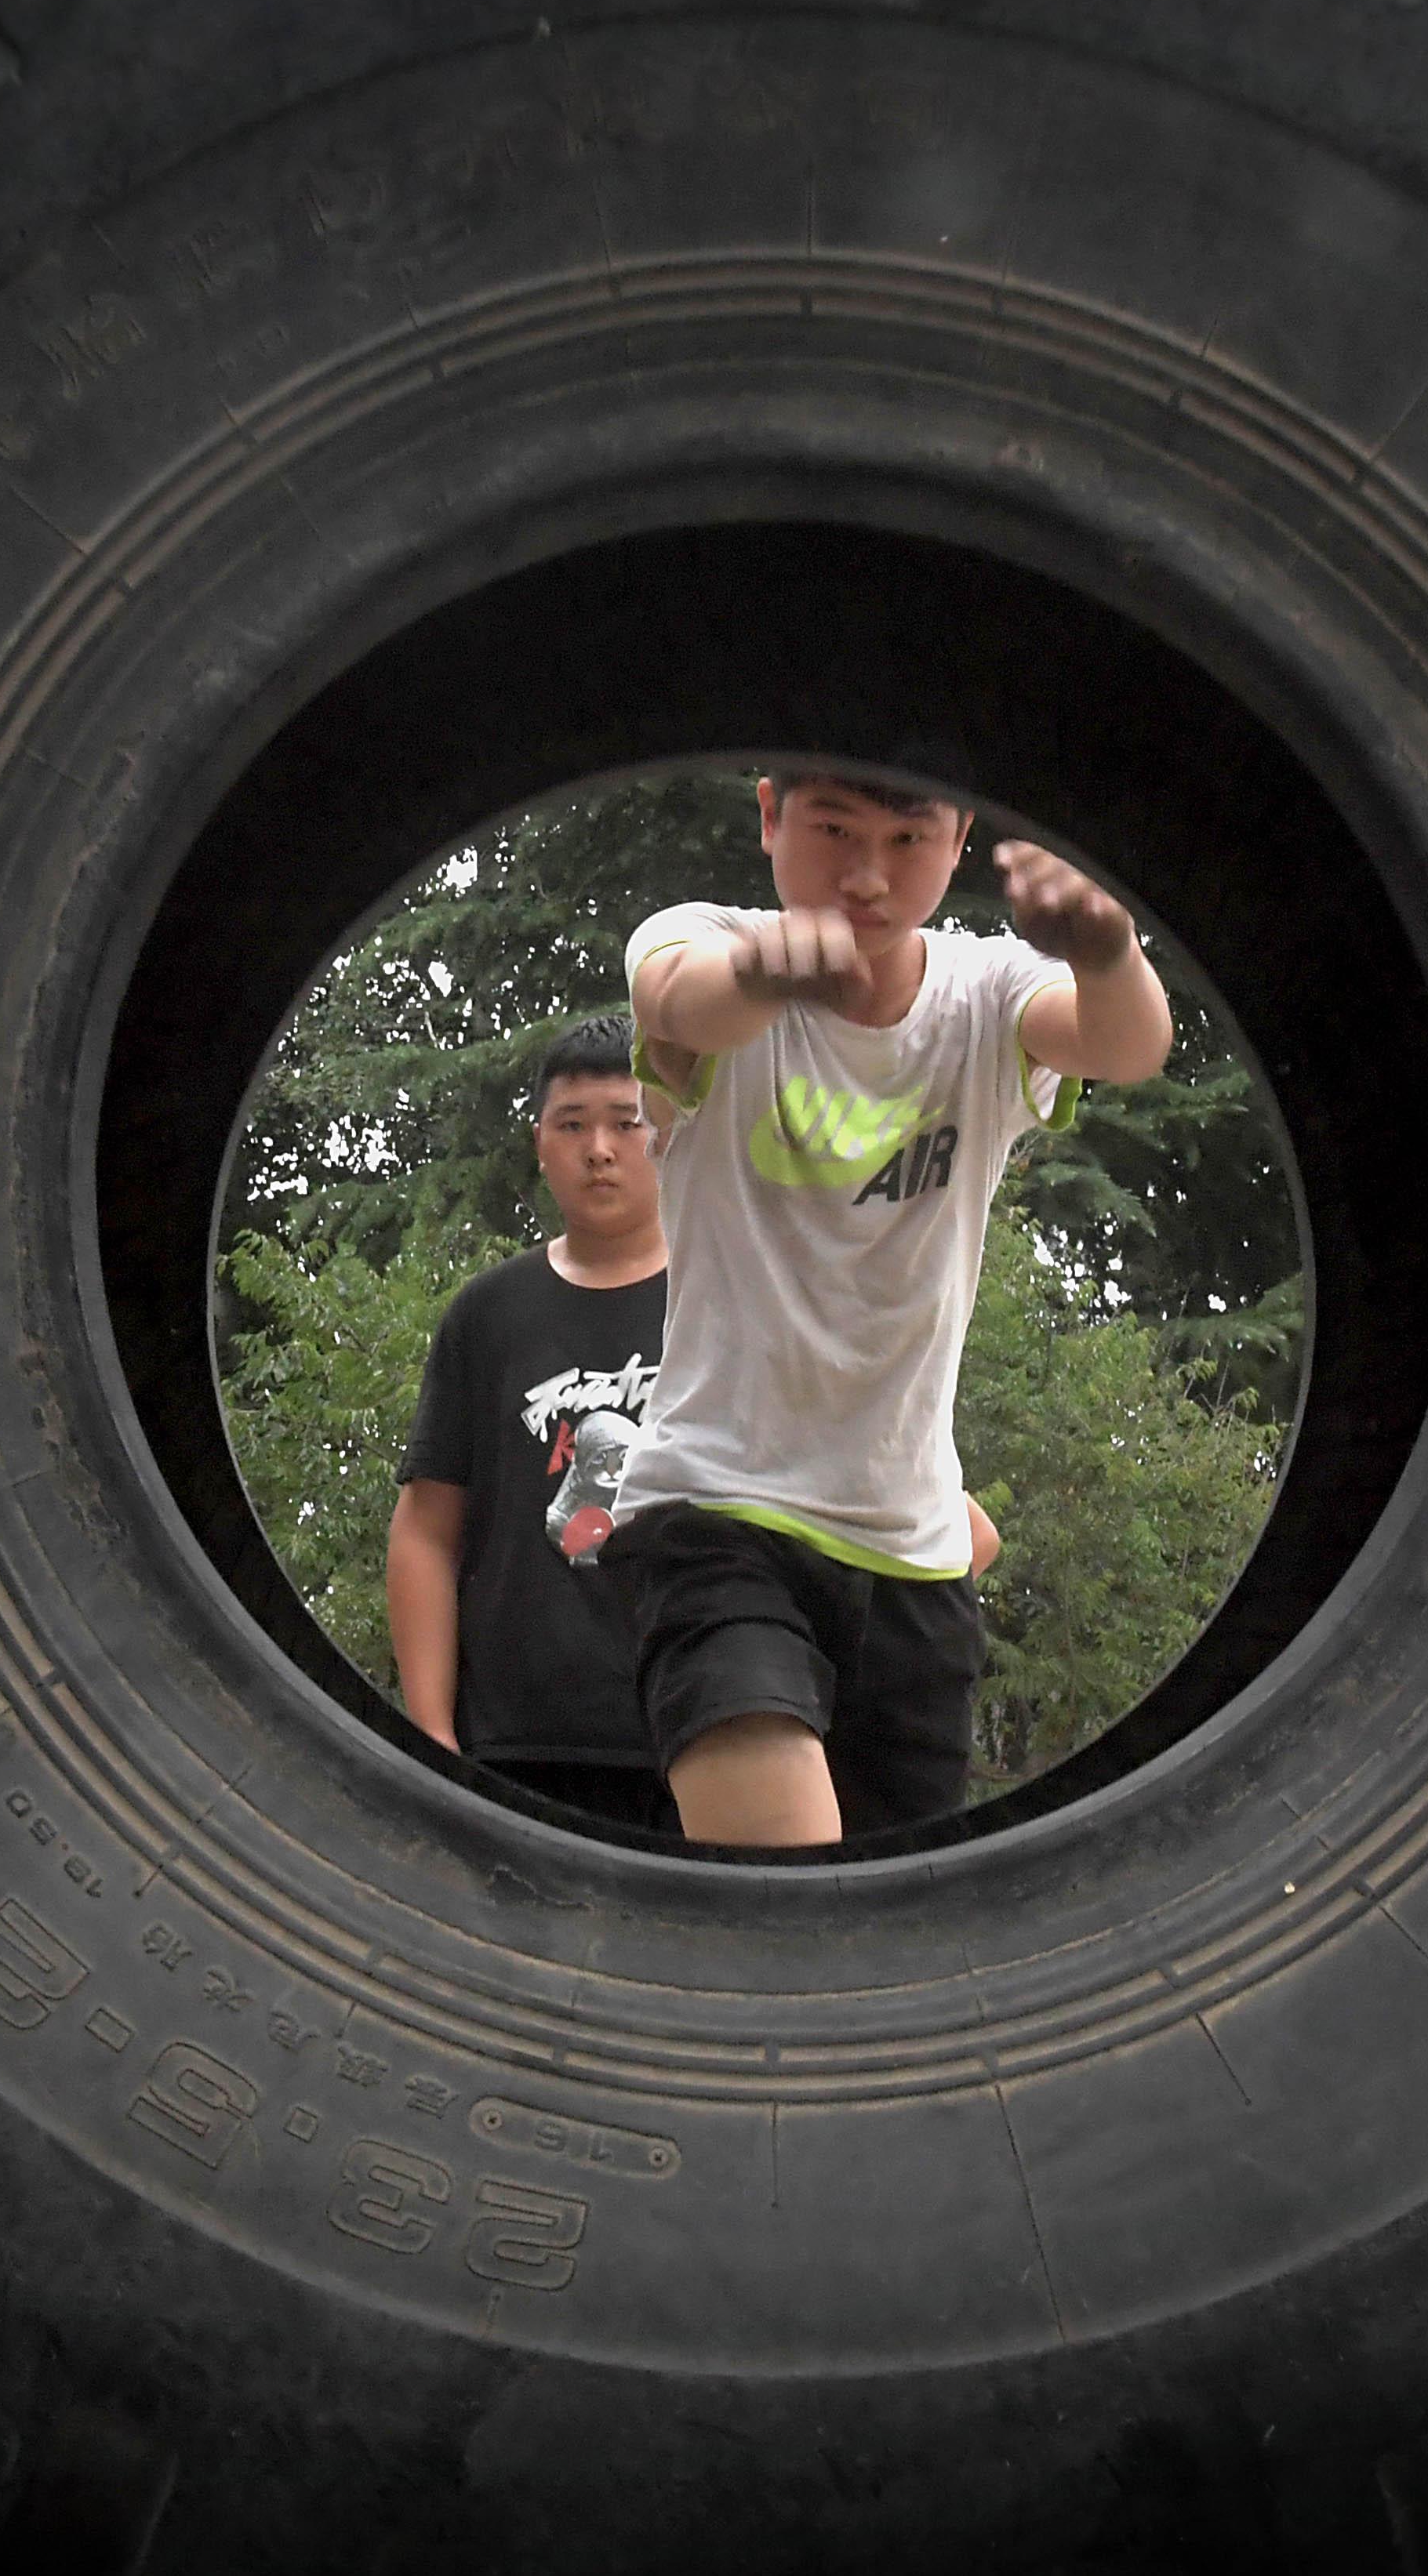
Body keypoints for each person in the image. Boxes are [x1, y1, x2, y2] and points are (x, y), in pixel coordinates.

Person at [608, 772, 1171, 1847]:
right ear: (769, 816)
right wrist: (784, 965)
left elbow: (1125, 1045)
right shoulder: (701, 937)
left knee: (885, 1948)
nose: (866, 876)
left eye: (908, 838)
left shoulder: (988, 992)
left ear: (959, 840)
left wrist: (1105, 950)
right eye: (831, 832)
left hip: (915, 1553)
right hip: (719, 1511)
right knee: (788, 1900)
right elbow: (682, 1000)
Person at [383, 1017, 676, 1829]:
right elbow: (427, 1529)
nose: (601, 1149)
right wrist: (432, 1731)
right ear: (540, 1142)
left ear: (670, 1131)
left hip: (705, 1722)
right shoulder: (489, 1313)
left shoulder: (730, 1299)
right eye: (573, 1124)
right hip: (513, 1744)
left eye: (628, 1121)